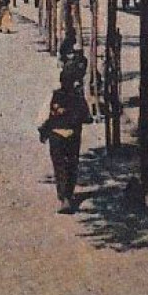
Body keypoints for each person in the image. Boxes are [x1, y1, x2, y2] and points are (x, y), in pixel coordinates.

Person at [38, 65, 93, 213]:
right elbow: (87, 117)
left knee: (59, 165)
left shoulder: (53, 95)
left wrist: (43, 132)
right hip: (73, 135)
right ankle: (68, 193)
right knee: (72, 164)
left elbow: (43, 117)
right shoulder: (78, 97)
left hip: (56, 135)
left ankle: (64, 198)